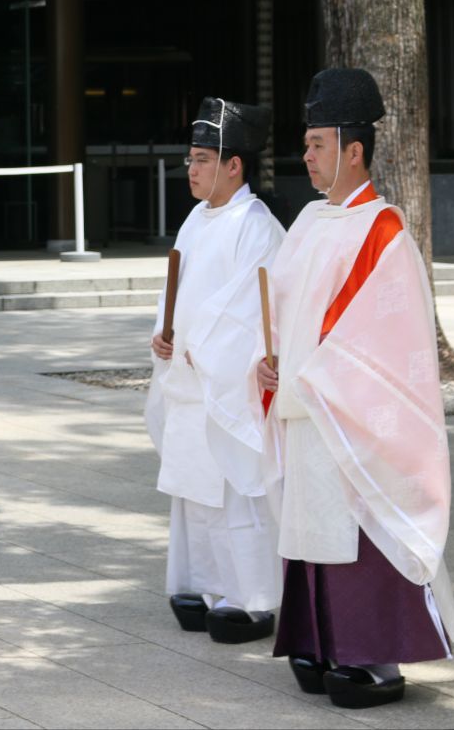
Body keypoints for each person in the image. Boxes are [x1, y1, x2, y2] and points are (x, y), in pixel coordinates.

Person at [257, 67, 454, 709]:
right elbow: (287, 316)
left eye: (317, 144)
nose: (307, 156)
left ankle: (375, 658)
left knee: (357, 524)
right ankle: (320, 641)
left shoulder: (383, 231)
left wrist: (309, 374)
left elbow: (381, 338)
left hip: (347, 411)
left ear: (353, 149)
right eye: (307, 143)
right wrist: (269, 365)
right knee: (312, 525)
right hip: (305, 402)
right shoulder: (312, 222)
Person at [146, 98, 285, 645]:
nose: (192, 169)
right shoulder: (195, 219)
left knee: (233, 491)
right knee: (193, 489)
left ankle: (249, 599)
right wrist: (164, 332)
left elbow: (254, 312)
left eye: (202, 159)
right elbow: (173, 294)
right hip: (187, 377)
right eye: (189, 160)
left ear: (235, 165)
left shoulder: (257, 226)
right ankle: (200, 584)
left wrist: (202, 347)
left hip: (227, 382)